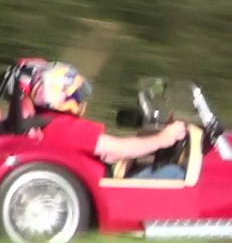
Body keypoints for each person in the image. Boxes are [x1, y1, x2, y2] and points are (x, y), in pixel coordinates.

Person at [29, 62, 189, 180]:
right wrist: (164, 139)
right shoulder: (67, 127)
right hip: (107, 187)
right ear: (65, 97)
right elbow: (120, 148)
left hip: (101, 177)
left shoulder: (47, 123)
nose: (81, 100)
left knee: (152, 165)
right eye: (77, 94)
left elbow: (111, 152)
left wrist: (153, 140)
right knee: (177, 173)